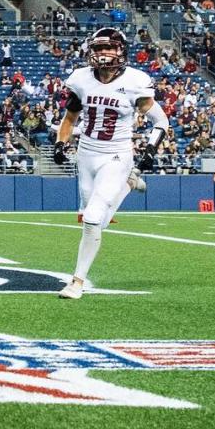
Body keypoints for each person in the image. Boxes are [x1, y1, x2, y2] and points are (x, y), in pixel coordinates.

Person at [52, 28, 166, 300]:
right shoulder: (81, 79)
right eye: (99, 48)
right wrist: (60, 143)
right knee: (94, 221)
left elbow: (160, 121)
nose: (103, 54)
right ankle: (128, 184)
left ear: (120, 51)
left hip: (116, 154)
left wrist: (151, 148)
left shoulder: (135, 81)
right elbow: (70, 120)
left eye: (109, 48)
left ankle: (76, 282)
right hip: (86, 154)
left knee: (93, 217)